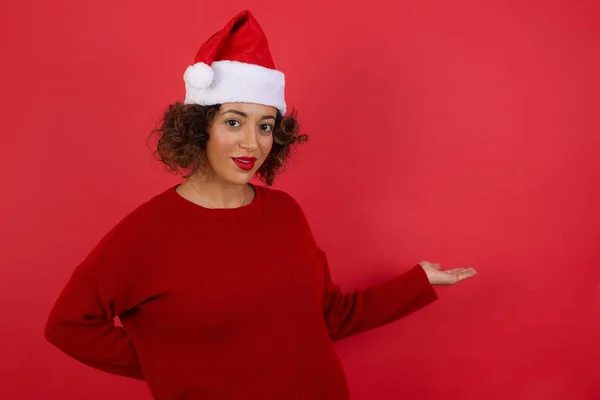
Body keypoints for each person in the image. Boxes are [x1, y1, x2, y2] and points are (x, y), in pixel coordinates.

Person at [44, 9, 477, 400]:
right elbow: (69, 326)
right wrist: (175, 368)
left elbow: (326, 317)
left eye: (265, 125)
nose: (253, 143)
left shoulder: (285, 212)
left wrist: (419, 280)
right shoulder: (148, 233)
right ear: (199, 128)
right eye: (234, 122)